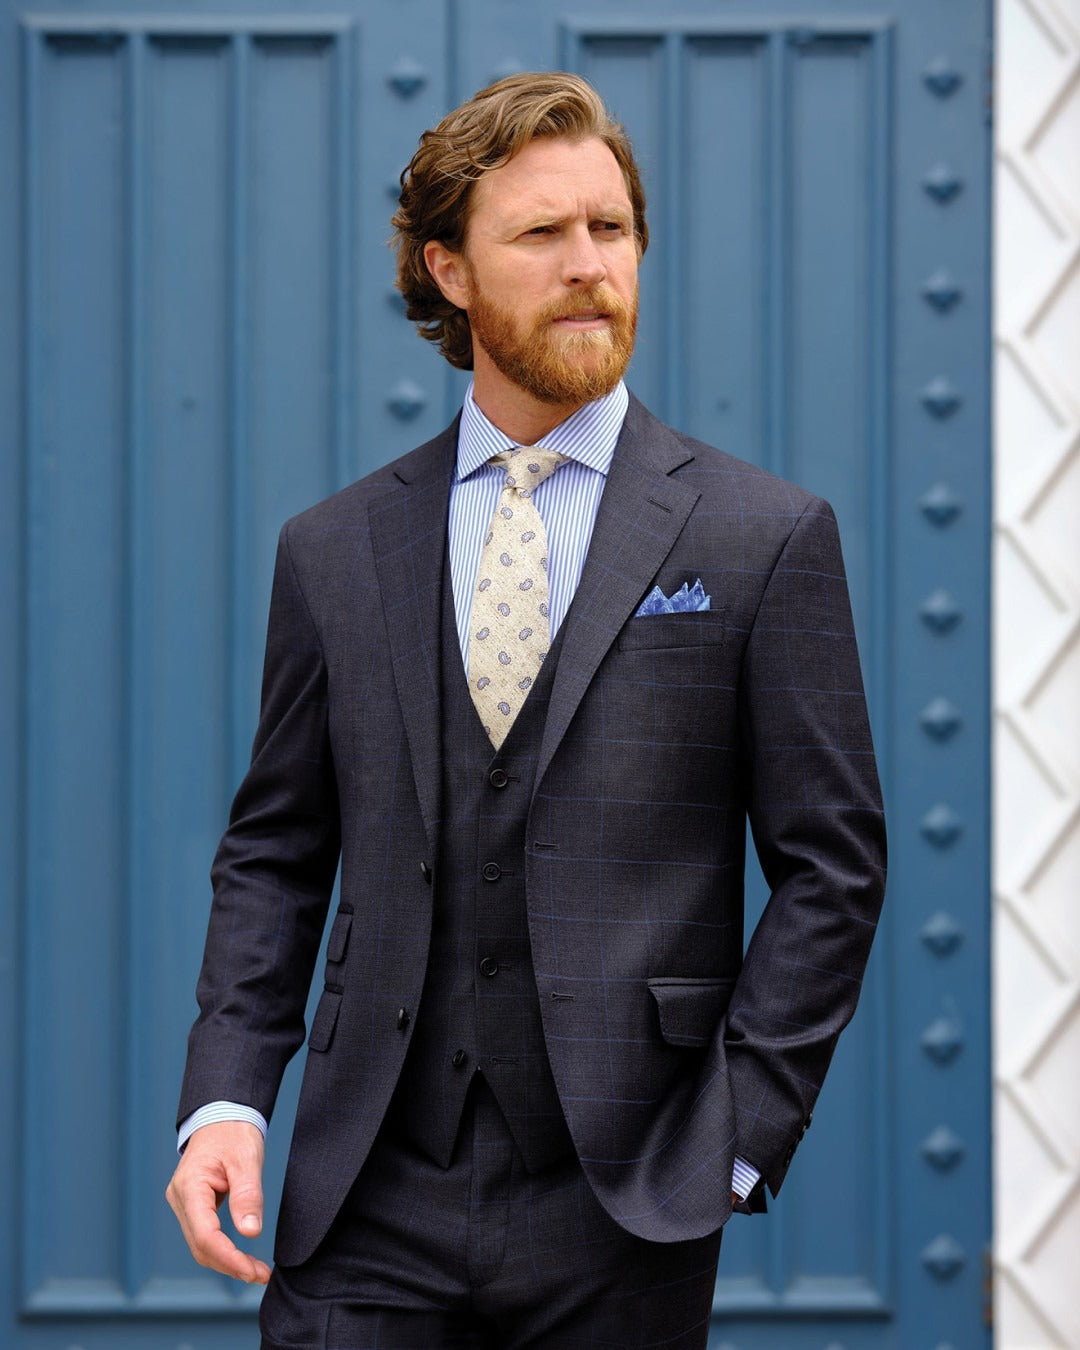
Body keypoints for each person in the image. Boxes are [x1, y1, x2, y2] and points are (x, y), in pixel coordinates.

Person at [167, 72, 886, 1349]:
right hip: (365, 1193)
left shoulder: (764, 535)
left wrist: (733, 1141)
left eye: (610, 230)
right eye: (540, 234)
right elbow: (276, 851)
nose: (588, 265)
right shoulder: (334, 548)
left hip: (625, 1203)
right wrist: (226, 1101)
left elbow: (833, 868)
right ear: (450, 272)